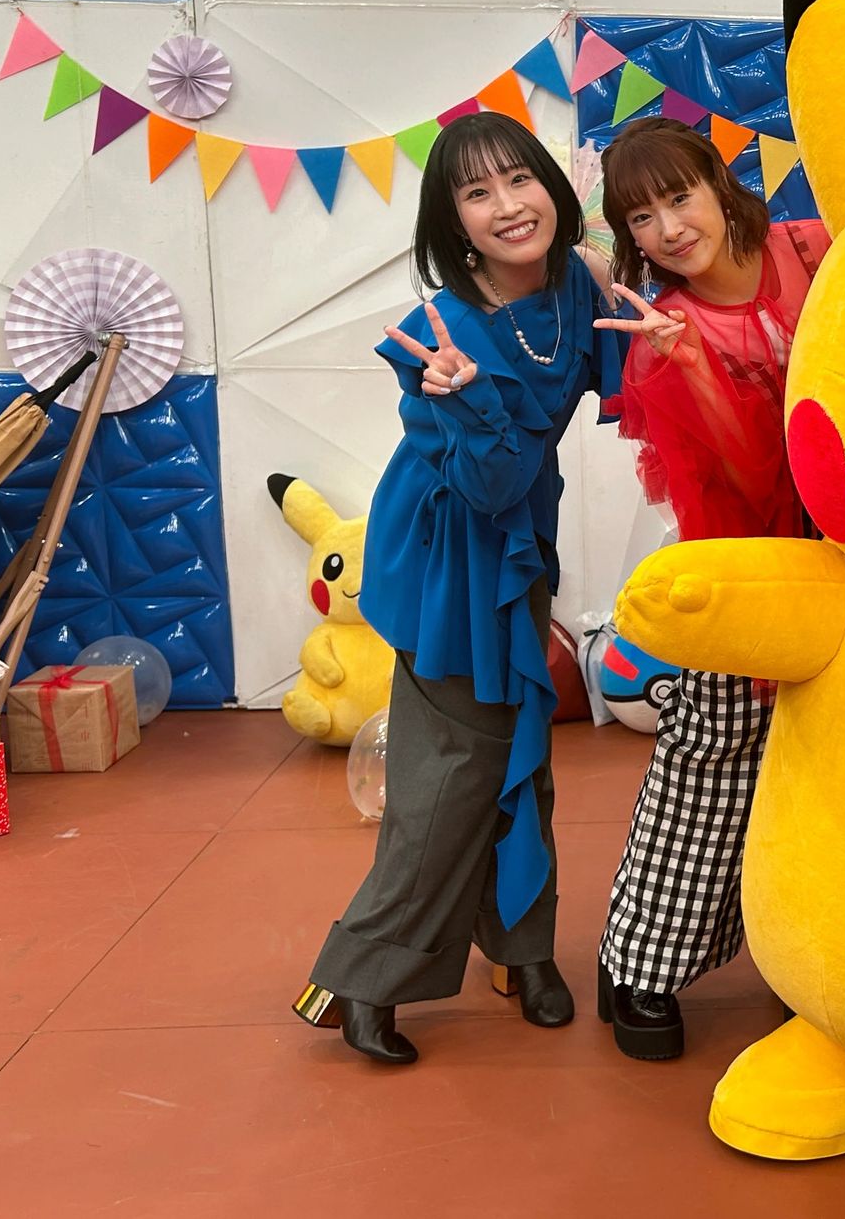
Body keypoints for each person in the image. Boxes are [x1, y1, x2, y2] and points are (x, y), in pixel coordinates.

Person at [294, 112, 626, 1064]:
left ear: (551, 188)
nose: (507, 207)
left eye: (518, 180)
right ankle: (360, 977)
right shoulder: (435, 330)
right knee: (449, 777)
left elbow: (627, 399)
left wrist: (680, 346)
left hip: (519, 546)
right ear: (454, 222)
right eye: (475, 194)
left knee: (522, 749)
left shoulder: (578, 282)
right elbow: (488, 483)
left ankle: (521, 952)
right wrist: (467, 393)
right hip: (451, 554)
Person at [591, 117, 831, 1060]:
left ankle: (815, 966)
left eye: (678, 196)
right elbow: (748, 478)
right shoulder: (664, 332)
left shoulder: (814, 248)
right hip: (754, 559)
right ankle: (637, 966)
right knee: (713, 754)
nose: (668, 228)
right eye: (640, 217)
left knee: (834, 767)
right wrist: (690, 367)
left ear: (717, 181)